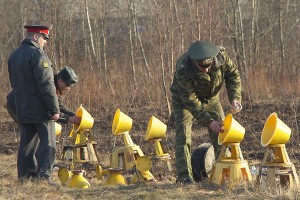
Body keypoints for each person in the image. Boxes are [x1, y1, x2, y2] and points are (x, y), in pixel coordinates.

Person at [170, 40, 242, 184]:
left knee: (223, 133)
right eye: (202, 67)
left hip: (212, 99)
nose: (206, 70)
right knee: (184, 136)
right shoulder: (183, 67)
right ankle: (184, 177)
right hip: (184, 102)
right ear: (195, 62)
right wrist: (209, 122)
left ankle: (226, 173)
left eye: (209, 66)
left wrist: (234, 97)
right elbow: (190, 100)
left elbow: (233, 75)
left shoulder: (221, 56)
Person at [8, 24, 60, 186]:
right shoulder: (38, 56)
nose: (45, 42)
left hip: (22, 107)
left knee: (27, 144)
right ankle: (44, 177)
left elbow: (14, 83)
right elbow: (46, 85)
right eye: (44, 38)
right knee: (48, 142)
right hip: (40, 109)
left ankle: (25, 177)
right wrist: (54, 109)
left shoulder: (14, 55)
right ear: (36, 36)